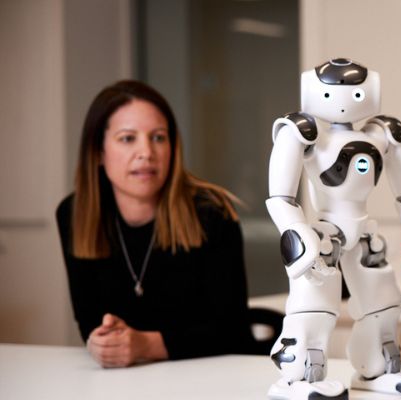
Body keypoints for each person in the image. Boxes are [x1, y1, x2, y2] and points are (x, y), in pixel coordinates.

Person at [56, 80, 255, 368]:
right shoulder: (73, 214)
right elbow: (89, 321)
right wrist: (102, 342)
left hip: (210, 376)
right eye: (127, 138)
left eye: (159, 138)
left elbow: (232, 330)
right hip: (126, 382)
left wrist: (146, 345)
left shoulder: (211, 213)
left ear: (173, 148)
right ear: (98, 151)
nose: (146, 152)